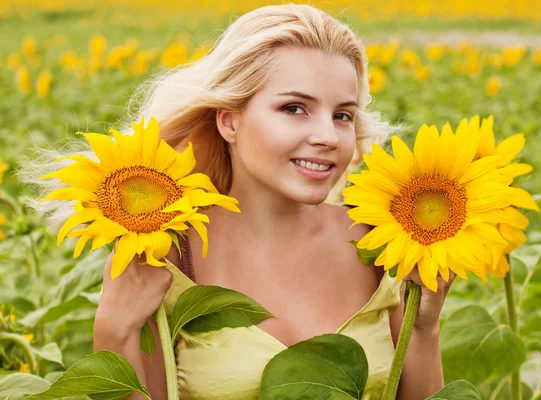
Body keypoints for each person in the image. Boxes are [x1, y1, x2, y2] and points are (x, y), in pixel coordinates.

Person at [92, 4, 456, 399]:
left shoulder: (382, 241)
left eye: (343, 115)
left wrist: (423, 328)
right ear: (229, 120)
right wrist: (114, 330)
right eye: (294, 108)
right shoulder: (166, 257)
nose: (328, 137)